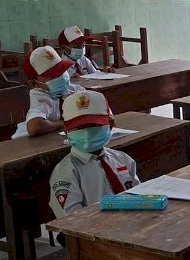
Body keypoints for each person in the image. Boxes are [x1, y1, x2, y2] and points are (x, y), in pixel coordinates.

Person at [49, 90, 140, 218]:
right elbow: (72, 221)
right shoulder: (66, 173)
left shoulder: (123, 159)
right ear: (66, 130)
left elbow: (139, 198)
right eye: (80, 128)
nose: (87, 133)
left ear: (111, 124)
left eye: (93, 125)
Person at [12, 46, 85, 139]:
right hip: (30, 145)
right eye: (53, 75)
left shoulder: (71, 89)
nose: (61, 77)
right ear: (34, 84)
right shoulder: (39, 97)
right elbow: (34, 127)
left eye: (62, 71)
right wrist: (65, 123)